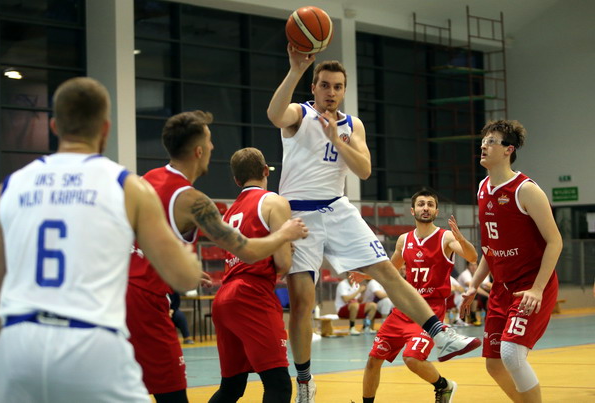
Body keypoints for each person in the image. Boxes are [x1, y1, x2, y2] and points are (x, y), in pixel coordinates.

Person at [267, 45, 481, 402]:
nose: (331, 91)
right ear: (314, 87)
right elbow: (274, 114)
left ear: (344, 90)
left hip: (337, 207)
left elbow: (364, 170)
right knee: (302, 301)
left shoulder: (353, 125)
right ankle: (304, 380)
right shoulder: (300, 114)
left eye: (338, 86)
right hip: (298, 214)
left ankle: (440, 334)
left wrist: (337, 140)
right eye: (325, 85)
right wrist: (295, 70)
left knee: (387, 271)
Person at [0, 77, 203, 402]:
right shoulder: (127, 186)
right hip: (89, 340)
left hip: (18, 340)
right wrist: (188, 257)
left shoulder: (8, 188)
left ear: (54, 126)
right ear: (106, 129)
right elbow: (182, 277)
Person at [126, 112, 308, 402]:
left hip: (122, 293)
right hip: (150, 301)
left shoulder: (145, 181)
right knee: (274, 385)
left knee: (227, 388)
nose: (213, 147)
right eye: (210, 142)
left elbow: (137, 234)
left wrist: (171, 265)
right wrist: (285, 234)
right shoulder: (194, 201)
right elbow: (247, 251)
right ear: (199, 151)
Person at [461, 120, 563, 403]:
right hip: (501, 288)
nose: (484, 146)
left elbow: (555, 241)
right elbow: (490, 249)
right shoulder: (483, 188)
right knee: (494, 364)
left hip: (531, 286)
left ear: (509, 149)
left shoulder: (525, 190)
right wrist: (474, 285)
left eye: (492, 141)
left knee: (512, 354)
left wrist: (538, 289)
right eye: (483, 141)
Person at [363, 189, 478, 403]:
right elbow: (390, 269)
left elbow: (472, 256)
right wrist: (364, 274)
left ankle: (444, 386)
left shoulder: (445, 237)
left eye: (430, 204)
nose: (425, 208)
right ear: (412, 210)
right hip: (405, 308)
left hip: (430, 310)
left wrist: (462, 239)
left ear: (436, 211)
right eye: (421, 204)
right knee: (373, 359)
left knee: (412, 358)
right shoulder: (403, 240)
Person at [210, 147, 299, 403]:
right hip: (252, 294)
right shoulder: (273, 202)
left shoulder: (229, 212)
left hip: (225, 297)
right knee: (278, 386)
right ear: (264, 171)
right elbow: (283, 263)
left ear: (237, 180)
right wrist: (286, 251)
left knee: (232, 387)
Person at [458, 261, 491, 326]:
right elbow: (473, 288)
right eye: (471, 265)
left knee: (487, 296)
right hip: (460, 295)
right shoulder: (465, 274)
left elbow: (488, 285)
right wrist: (488, 295)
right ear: (467, 266)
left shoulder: (481, 273)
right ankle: (473, 317)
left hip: (471, 295)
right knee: (474, 294)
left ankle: (488, 317)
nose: (473, 267)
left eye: (475, 265)